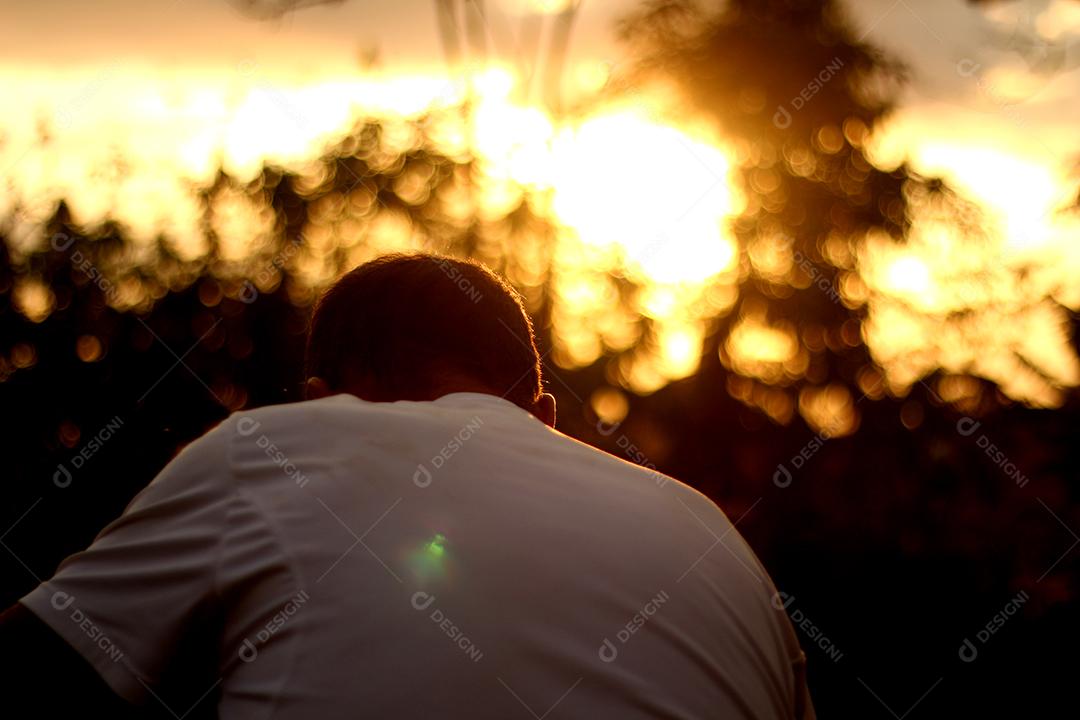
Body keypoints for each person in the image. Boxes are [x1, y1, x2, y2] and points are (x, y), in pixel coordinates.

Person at [2, 253, 814, 719]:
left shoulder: (282, 448)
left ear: (323, 401)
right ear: (542, 414)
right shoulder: (712, 535)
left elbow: (34, 675)